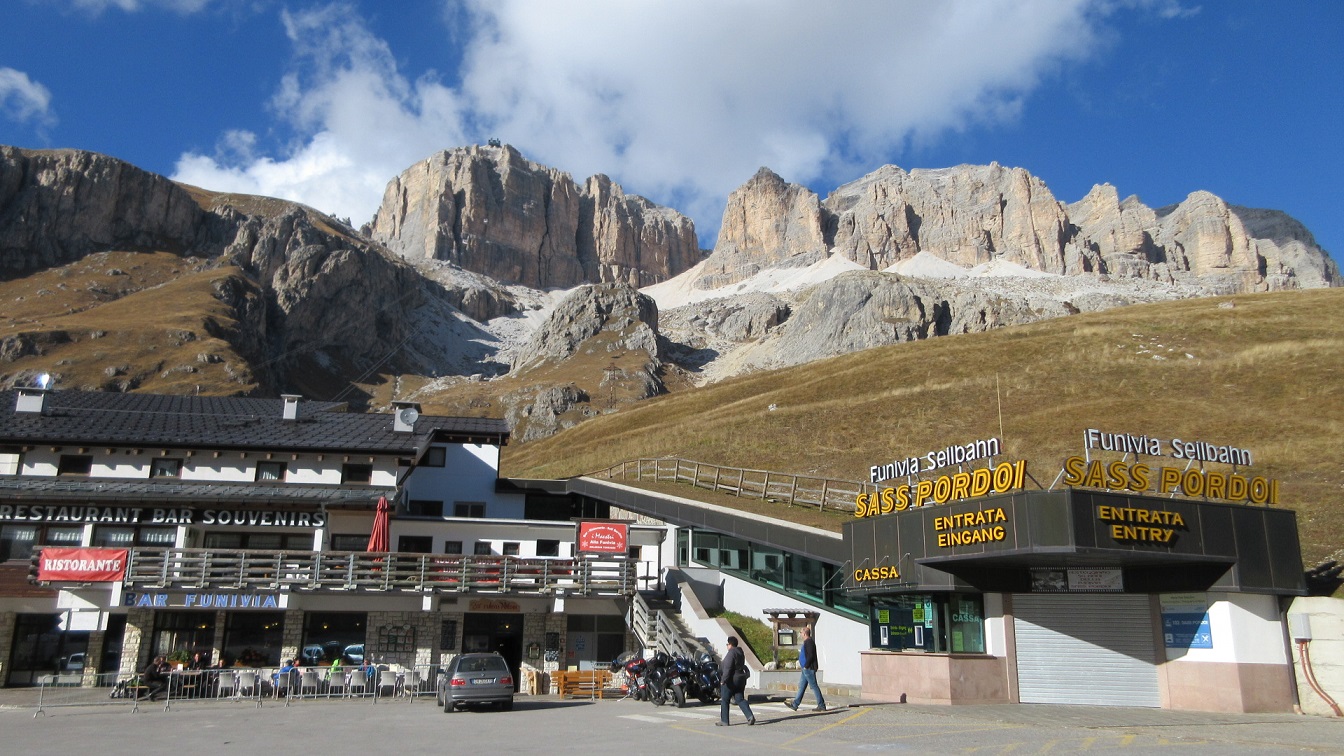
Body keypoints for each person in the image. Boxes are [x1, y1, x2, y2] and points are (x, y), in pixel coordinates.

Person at [785, 625, 827, 712]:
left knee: (814, 686)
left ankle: (821, 705)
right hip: (806, 669)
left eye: (801, 632)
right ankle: (795, 704)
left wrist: (806, 665)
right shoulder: (807, 642)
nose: (800, 634)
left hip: (808, 668)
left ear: (804, 633)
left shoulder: (809, 642)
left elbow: (811, 655)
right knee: (802, 686)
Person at [717, 636, 755, 727]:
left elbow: (728, 667)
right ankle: (750, 716)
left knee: (725, 700)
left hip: (731, 679)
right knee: (739, 699)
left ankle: (724, 720)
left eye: (727, 644)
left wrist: (723, 680)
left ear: (730, 644)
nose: (727, 646)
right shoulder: (740, 652)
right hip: (741, 679)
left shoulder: (731, 653)